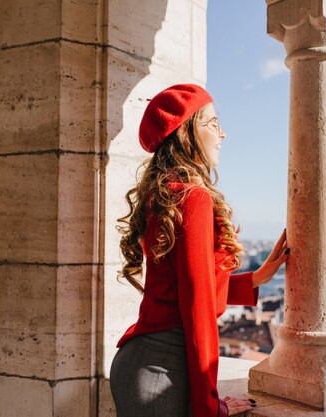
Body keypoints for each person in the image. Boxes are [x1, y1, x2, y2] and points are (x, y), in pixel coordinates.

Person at [110, 83, 290, 417]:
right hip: (162, 375)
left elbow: (183, 287)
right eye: (212, 124)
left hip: (142, 366)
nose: (223, 134)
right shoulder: (193, 197)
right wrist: (211, 407)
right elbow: (197, 309)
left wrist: (257, 278)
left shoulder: (163, 195)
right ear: (187, 133)